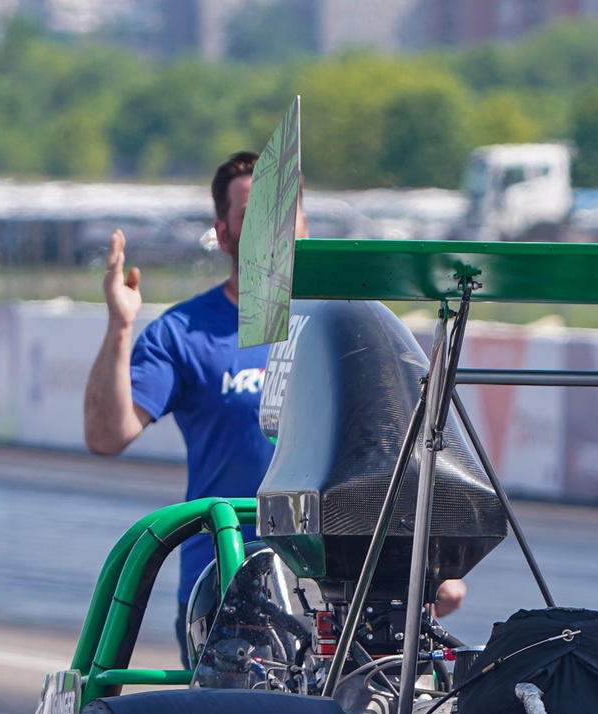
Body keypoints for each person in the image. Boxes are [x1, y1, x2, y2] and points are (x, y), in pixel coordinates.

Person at [82, 151, 462, 643]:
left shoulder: (348, 323)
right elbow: (107, 436)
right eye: (254, 217)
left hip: (339, 578)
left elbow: (397, 451)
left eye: (286, 214)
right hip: (228, 581)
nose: (275, 229)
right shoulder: (183, 332)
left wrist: (430, 561)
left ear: (304, 223)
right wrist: (120, 325)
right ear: (224, 235)